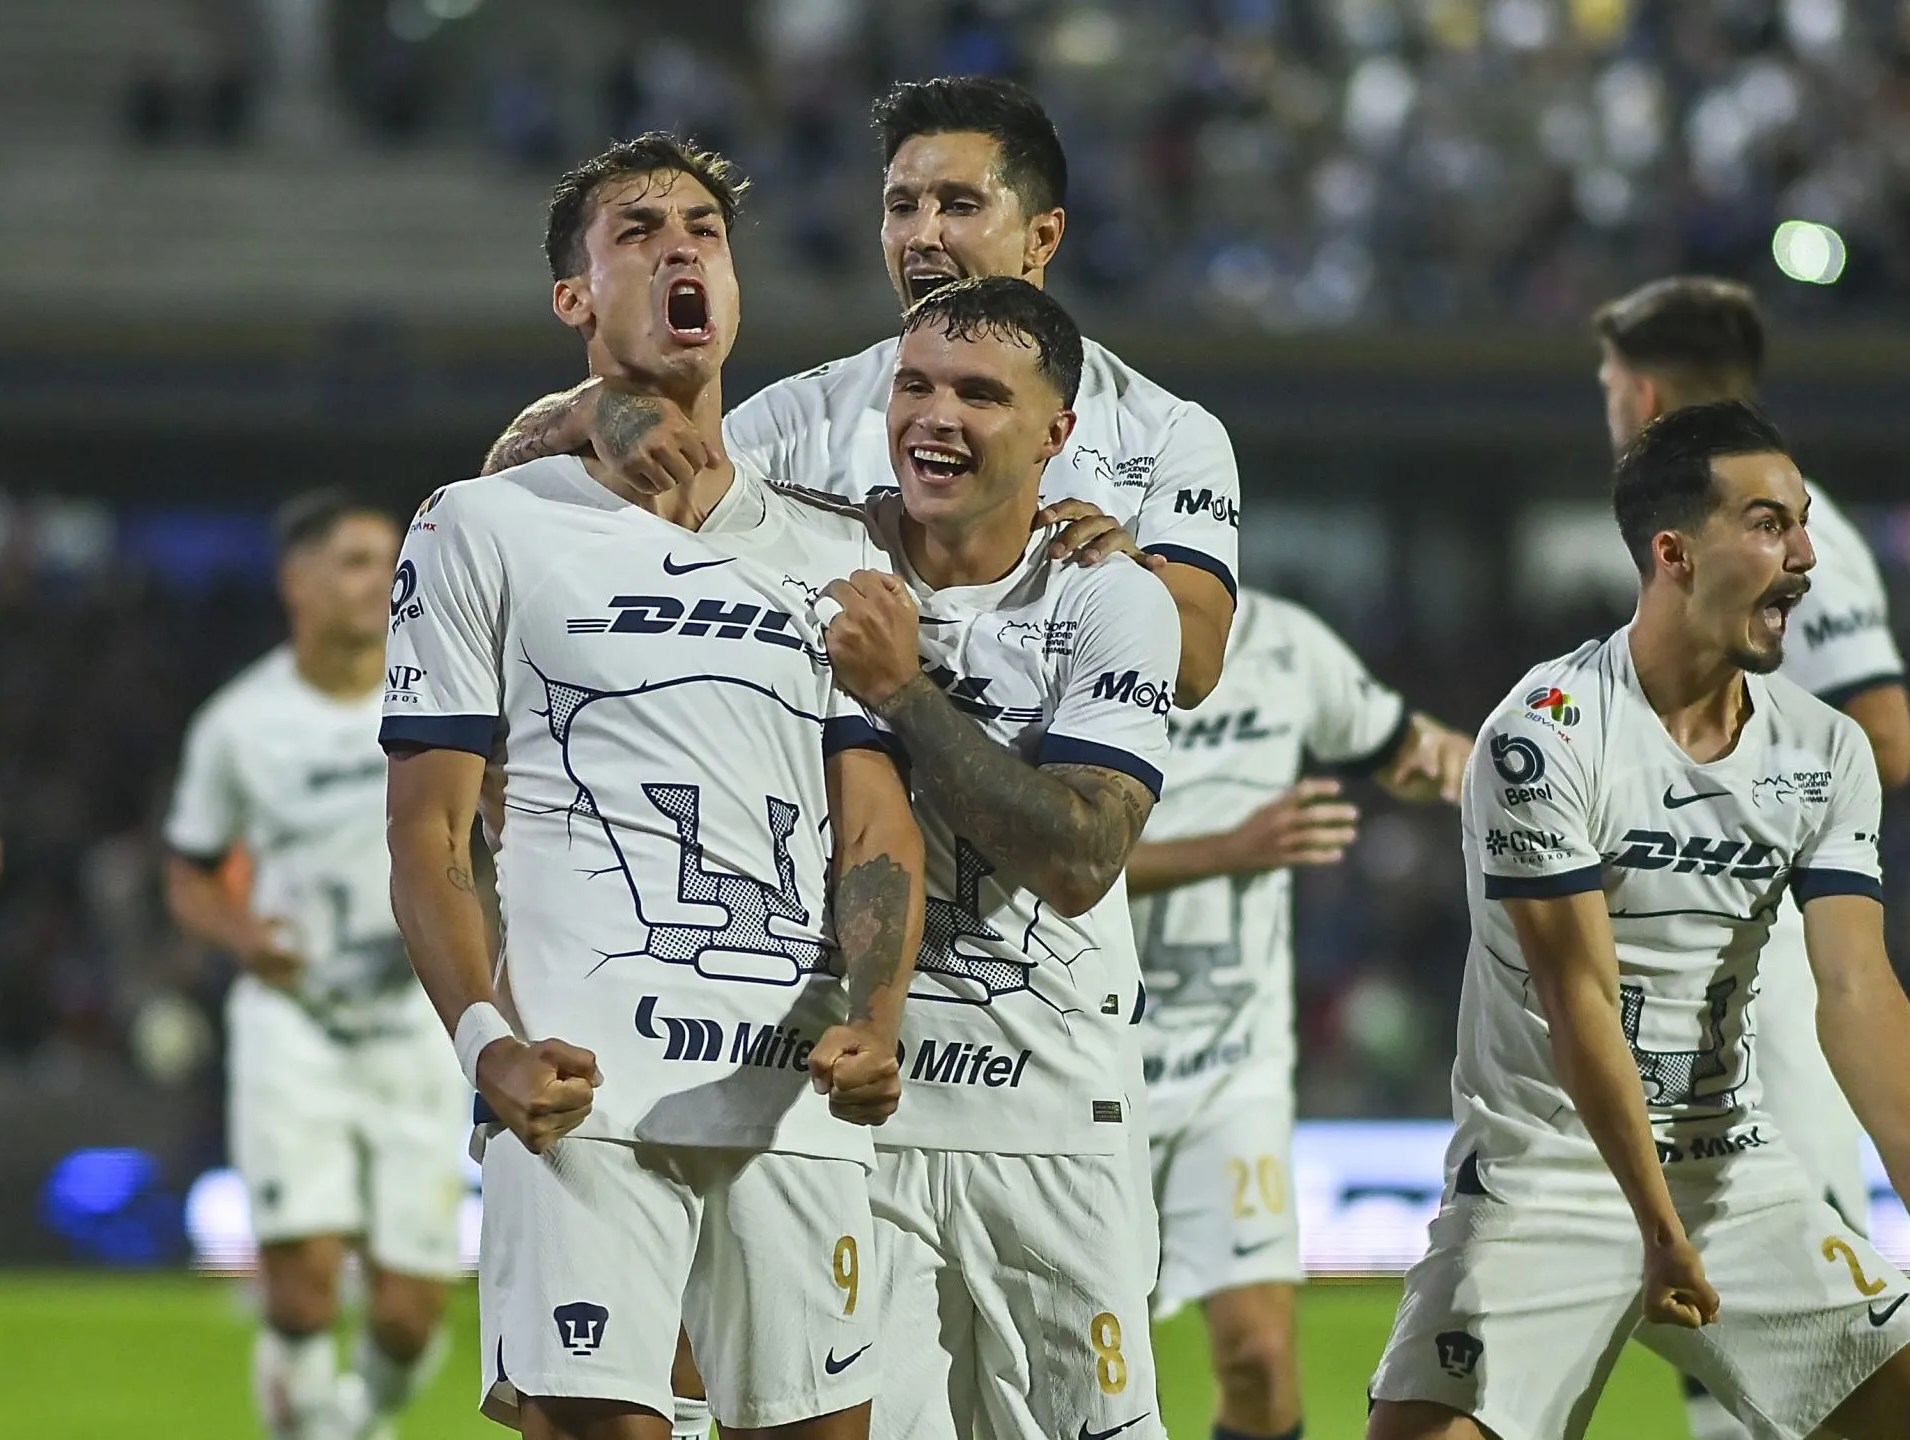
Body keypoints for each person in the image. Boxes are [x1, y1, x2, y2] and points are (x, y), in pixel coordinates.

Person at [380, 133, 927, 1440]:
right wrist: (483, 1044)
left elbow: (875, 822)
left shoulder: (837, 549)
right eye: (636, 231)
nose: (681, 246)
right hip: (585, 1088)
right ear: (574, 301)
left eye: (704, 230)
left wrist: (883, 1012)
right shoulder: (483, 523)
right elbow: (429, 826)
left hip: (789, 1086)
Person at [1365, 402, 1910, 1440]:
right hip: (1548, 1179)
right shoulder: (1543, 738)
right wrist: (1652, 1227)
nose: (1806, 556)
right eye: (1770, 524)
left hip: (1732, 1179)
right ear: (1675, 553)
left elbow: (1856, 987)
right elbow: (1577, 995)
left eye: (1803, 523)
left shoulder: (1823, 750)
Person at [483, 75, 1243, 709]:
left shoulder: (1165, 430)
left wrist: (1118, 578)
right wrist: (588, 406)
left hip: (1041, 863)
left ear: (1042, 237)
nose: (922, 234)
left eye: (960, 205)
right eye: (901, 205)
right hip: (839, 857)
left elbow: (1197, 667)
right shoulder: (799, 416)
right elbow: (555, 536)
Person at [817, 275, 1179, 1440]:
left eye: (981, 394)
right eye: (916, 385)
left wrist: (903, 694)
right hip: (863, 1119)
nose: (937, 416)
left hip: (1056, 1122)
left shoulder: (1110, 600)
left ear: (1056, 434)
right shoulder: (816, 559)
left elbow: (1082, 858)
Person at [1593, 276, 1910, 1440]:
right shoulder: (1687, 545)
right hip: (1689, 950)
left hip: (1765, 953)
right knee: (1709, 1279)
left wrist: (1714, 822)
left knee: (1802, 1278)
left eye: (1606, 389)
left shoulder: (1782, 537)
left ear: (1641, 392)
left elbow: (1883, 733)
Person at [1125, 589, 1470, 1440]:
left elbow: (1411, 754)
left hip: (1229, 1070)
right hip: (1085, 1065)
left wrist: (1539, 771)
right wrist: (1235, 849)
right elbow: (1042, 855)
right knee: (1088, 1372)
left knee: (1260, 1357)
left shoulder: (1283, 645)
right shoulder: (1076, 629)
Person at [164, 491, 462, 1440]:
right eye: (357, 562)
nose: (382, 580)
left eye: (391, 561)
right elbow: (190, 870)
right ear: (298, 583)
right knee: (298, 1285)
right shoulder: (239, 724)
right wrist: (243, 935)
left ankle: (356, 1418)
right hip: (293, 1019)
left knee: (410, 1314)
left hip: (415, 1016)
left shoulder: (444, 692)